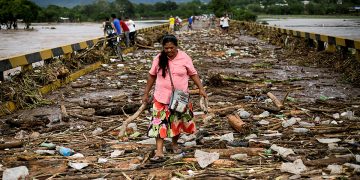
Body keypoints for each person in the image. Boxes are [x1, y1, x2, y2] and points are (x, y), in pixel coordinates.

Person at [142, 34, 207, 161]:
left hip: (179, 98)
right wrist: (146, 93)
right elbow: (151, 76)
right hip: (161, 97)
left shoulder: (184, 57)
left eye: (171, 48)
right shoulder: (159, 58)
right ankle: (159, 151)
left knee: (176, 122)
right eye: (166, 48)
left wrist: (201, 88)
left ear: (176, 46)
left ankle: (174, 143)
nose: (169, 51)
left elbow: (193, 74)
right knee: (159, 124)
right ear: (163, 48)